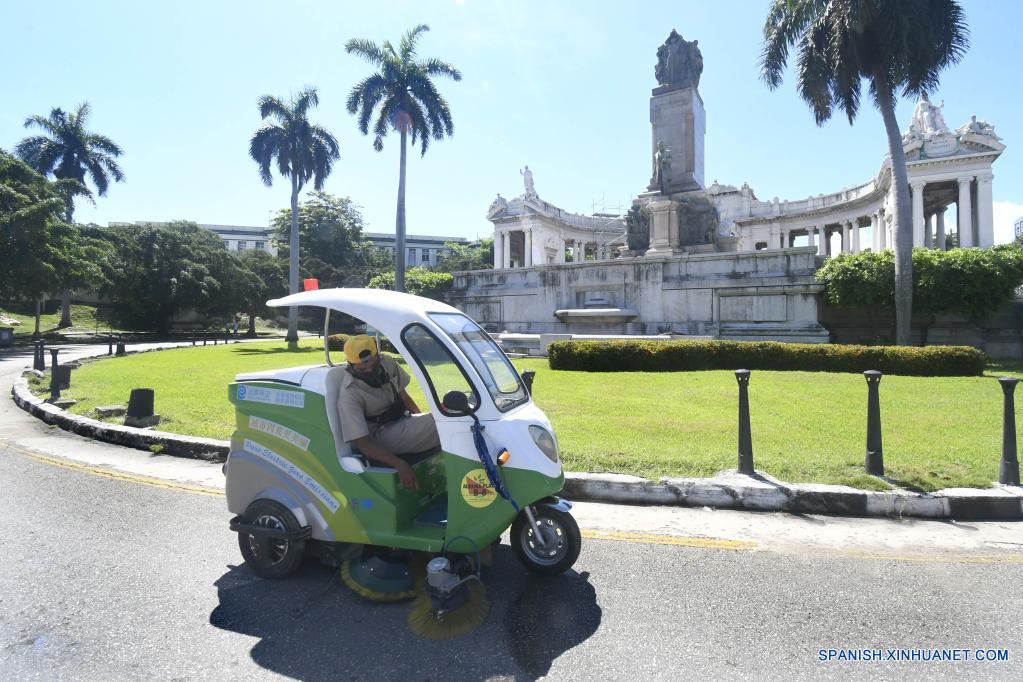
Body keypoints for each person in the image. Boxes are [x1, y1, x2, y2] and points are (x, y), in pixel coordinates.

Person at [336, 334, 440, 490]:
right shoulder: (350, 393)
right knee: (446, 423)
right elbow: (363, 444)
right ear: (350, 365)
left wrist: (419, 419)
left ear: (377, 355)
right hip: (379, 437)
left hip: (400, 422)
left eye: (372, 364)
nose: (370, 370)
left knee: (447, 415)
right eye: (362, 369)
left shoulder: (387, 363)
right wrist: (399, 464)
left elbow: (404, 397)